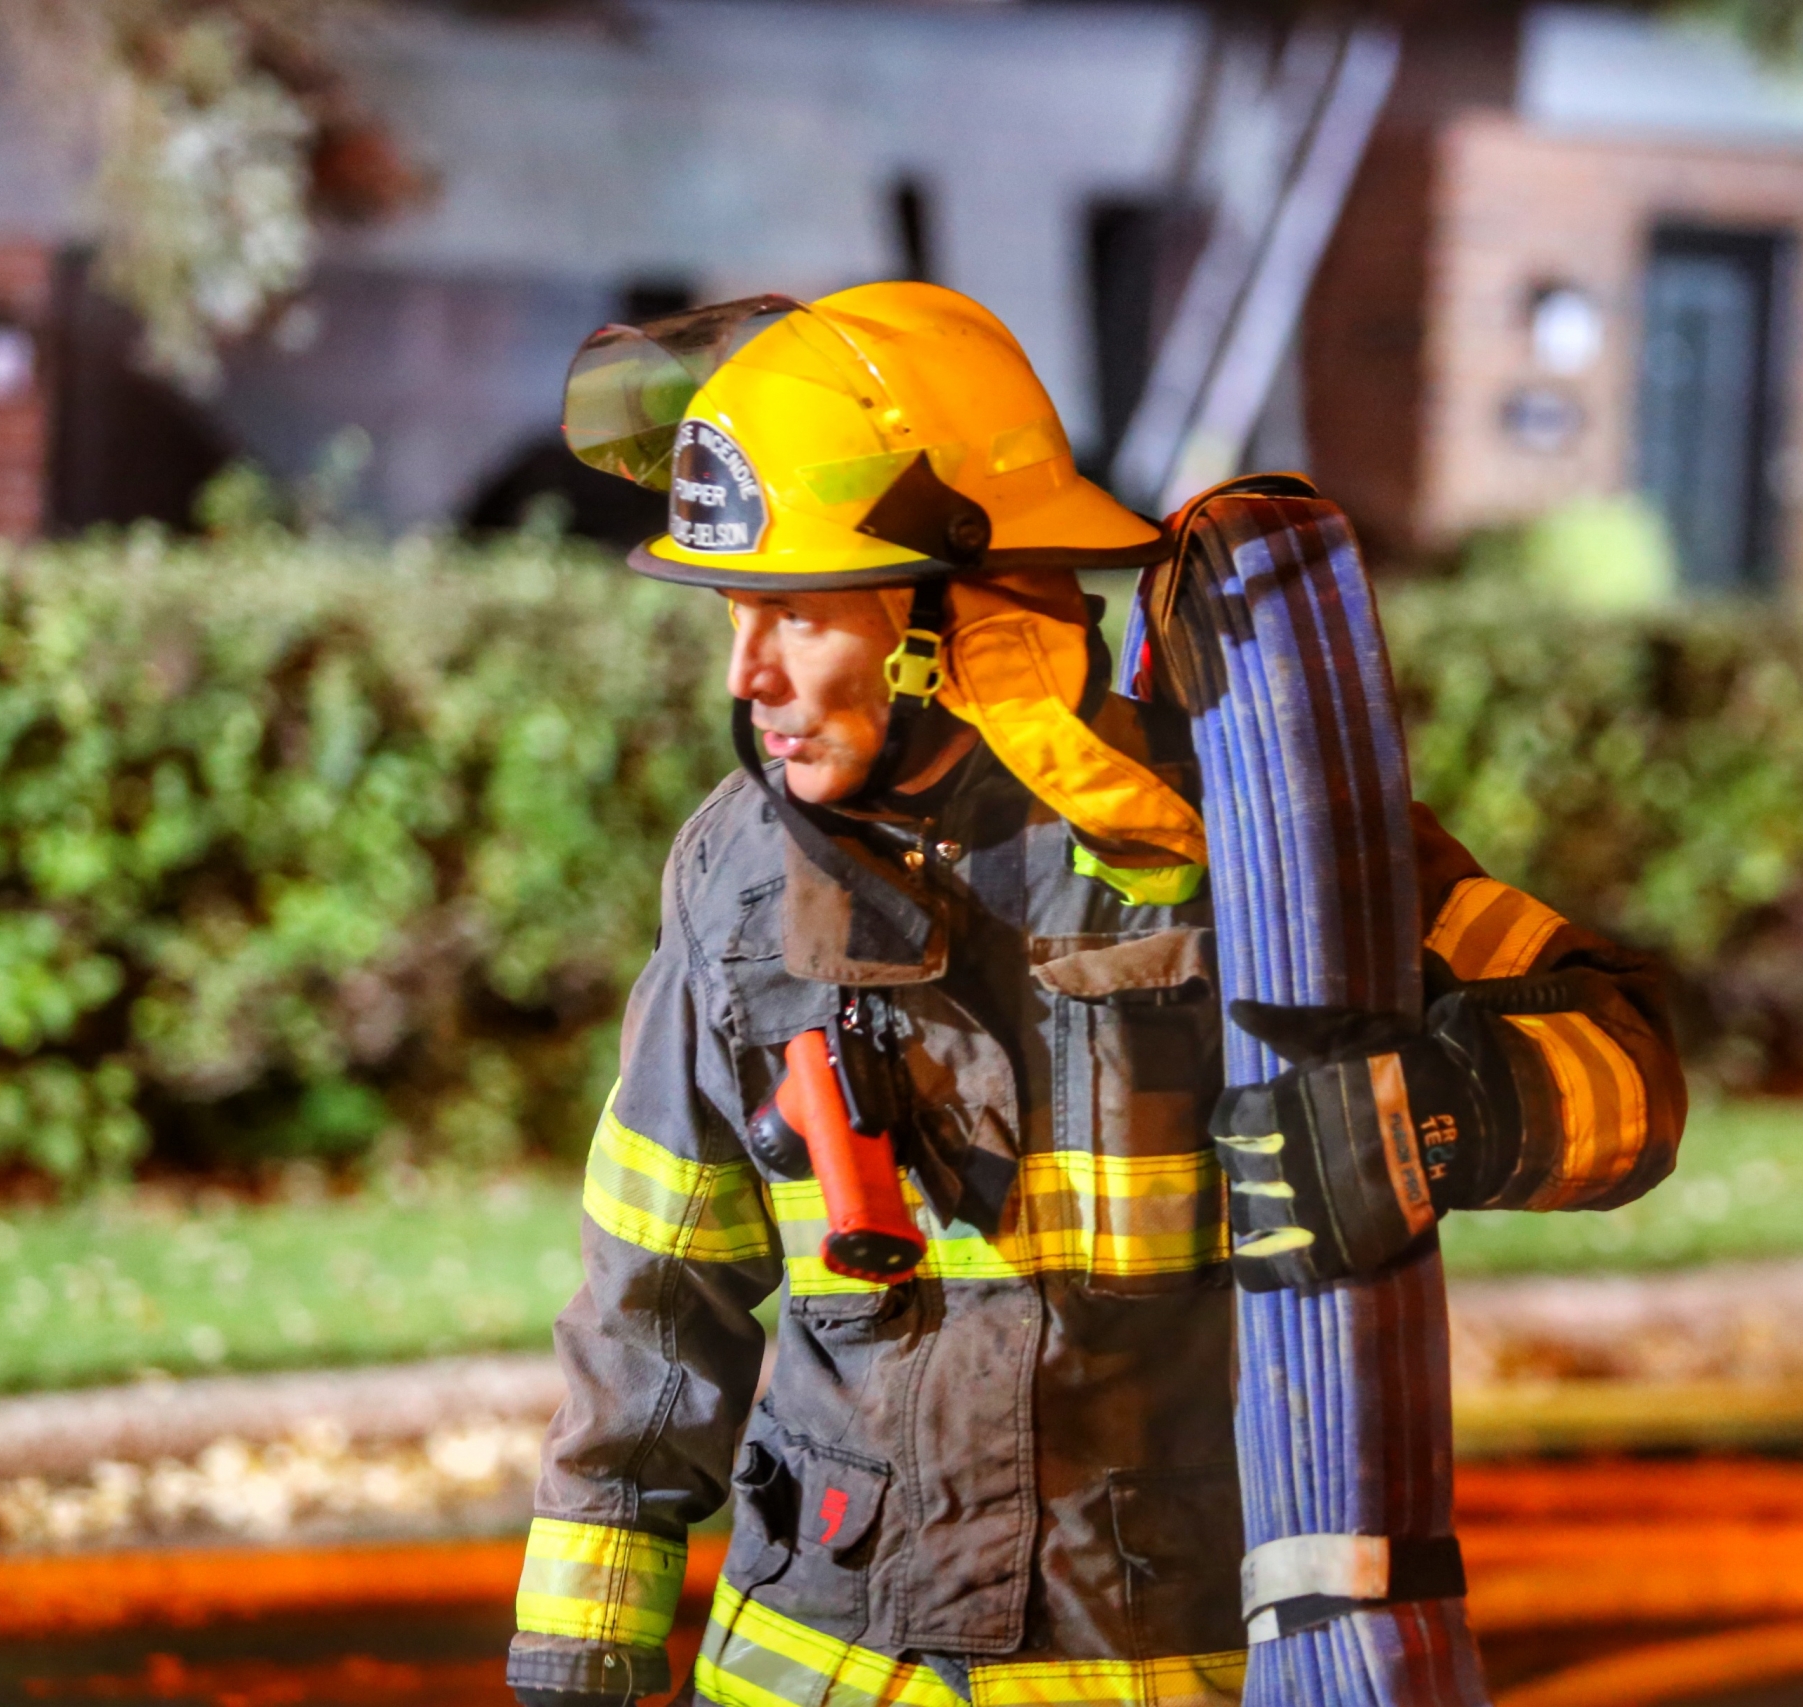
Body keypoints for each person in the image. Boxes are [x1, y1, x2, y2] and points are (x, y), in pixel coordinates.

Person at [507, 282, 1686, 1706]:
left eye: (797, 613)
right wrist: (582, 1655)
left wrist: (1436, 1114)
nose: (748, 671)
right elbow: (653, 1288)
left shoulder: (1252, 836)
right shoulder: (739, 874)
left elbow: (1624, 1059)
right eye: (735, 611)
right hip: (809, 1669)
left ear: (961, 611)